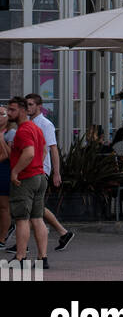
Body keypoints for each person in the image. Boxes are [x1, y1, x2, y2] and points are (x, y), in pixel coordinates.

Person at [20, 96, 75, 251]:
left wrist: (56, 173)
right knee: (37, 208)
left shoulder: (45, 124)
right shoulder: (29, 123)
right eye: (26, 105)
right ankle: (63, 233)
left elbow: (53, 148)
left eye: (30, 105)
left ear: (39, 106)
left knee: (32, 208)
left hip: (41, 169)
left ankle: (22, 244)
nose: (28, 107)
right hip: (32, 169)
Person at [8, 99, 48, 269]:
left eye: (12, 110)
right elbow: (44, 149)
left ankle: (20, 257)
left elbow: (29, 153)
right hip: (39, 176)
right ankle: (42, 258)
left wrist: (15, 171)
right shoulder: (35, 128)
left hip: (26, 178)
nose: (9, 113)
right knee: (37, 218)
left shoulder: (23, 130)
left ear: (23, 111)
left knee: (21, 219)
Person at [0, 104, 12, 246]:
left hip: (5, 171)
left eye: (1, 114)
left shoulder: (10, 133)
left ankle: (3, 237)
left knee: (4, 206)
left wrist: (2, 140)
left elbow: (8, 155)